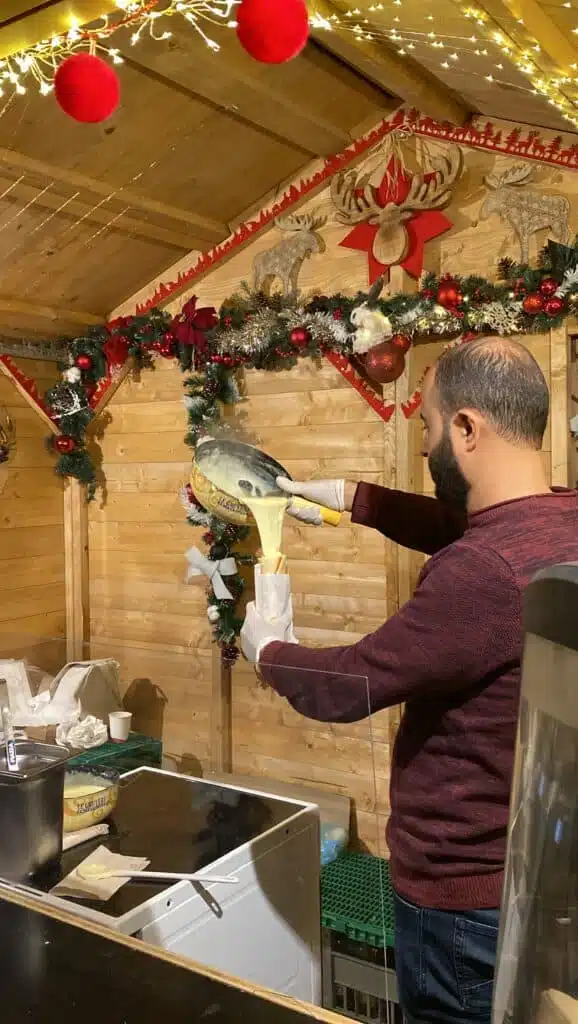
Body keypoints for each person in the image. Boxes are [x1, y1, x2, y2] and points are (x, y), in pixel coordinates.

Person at [240, 336, 578, 1024]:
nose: (424, 447)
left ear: (466, 428)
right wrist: (351, 501)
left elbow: (354, 683)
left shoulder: (478, 574)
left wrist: (267, 648)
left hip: (461, 898)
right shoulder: (563, 516)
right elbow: (471, 529)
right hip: (526, 874)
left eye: (427, 425)